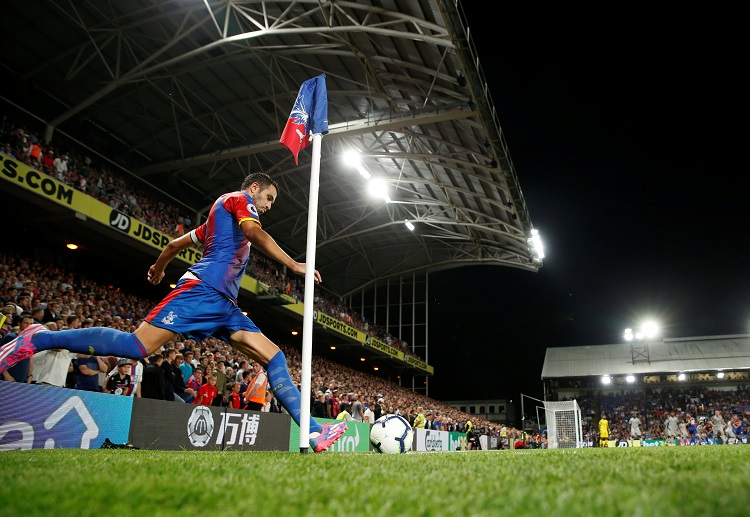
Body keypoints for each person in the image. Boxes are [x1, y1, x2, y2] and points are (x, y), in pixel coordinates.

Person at [0, 173, 346, 452]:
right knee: (137, 348)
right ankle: (40, 337)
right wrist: (293, 264)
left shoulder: (213, 221)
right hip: (203, 291)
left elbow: (173, 244)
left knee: (274, 358)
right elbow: (253, 233)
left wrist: (158, 267)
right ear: (254, 188)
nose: (269, 205)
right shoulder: (237, 200)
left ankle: (313, 433)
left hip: (223, 303)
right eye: (268, 198)